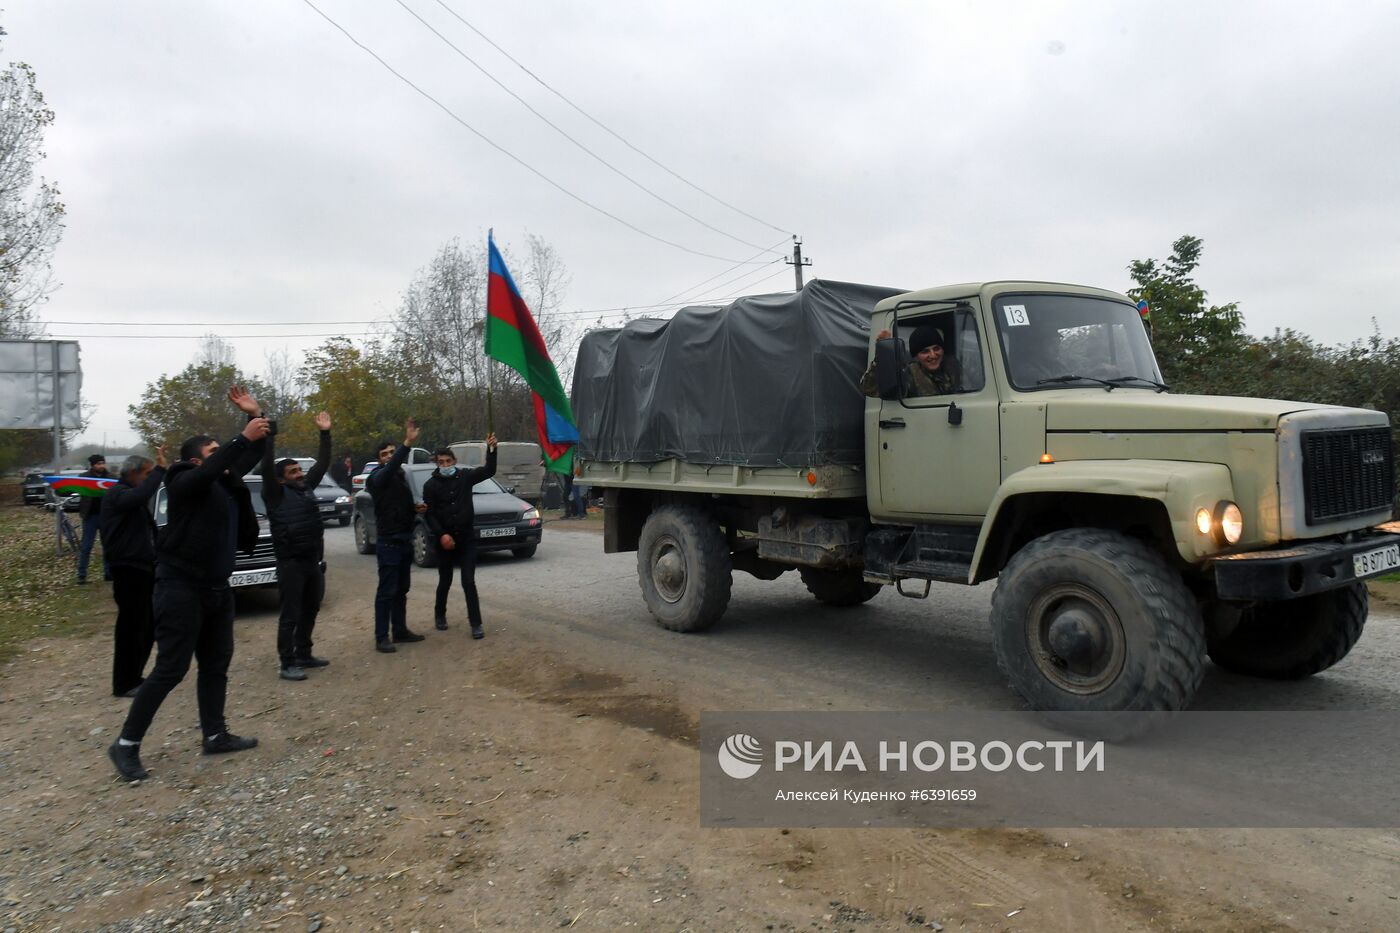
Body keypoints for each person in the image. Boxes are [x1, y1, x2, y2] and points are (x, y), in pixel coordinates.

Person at [107, 387, 271, 783]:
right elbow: (221, 462)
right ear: (195, 459)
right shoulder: (182, 480)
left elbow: (254, 450)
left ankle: (215, 734)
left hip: (217, 587)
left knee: (216, 665)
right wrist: (239, 437)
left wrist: (255, 416)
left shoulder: (224, 482)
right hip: (180, 588)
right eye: (213, 450)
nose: (222, 455)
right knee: (171, 668)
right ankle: (125, 745)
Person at [261, 411, 334, 682]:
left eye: (300, 470)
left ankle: (304, 652)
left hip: (310, 561)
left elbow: (323, 463)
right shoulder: (275, 493)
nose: (299, 474)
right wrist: (270, 437)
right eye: (293, 472)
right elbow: (267, 466)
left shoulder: (306, 488)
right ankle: (287, 662)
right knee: (290, 614)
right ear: (281, 478)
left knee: (311, 607)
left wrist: (325, 433)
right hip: (290, 563)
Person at [99, 448, 168, 697]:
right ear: (134, 474)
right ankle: (124, 682)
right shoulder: (118, 494)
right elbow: (142, 495)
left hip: (142, 568)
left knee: (145, 626)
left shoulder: (129, 496)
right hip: (127, 570)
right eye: (147, 474)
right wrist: (159, 470)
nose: (150, 479)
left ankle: (135, 676)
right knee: (131, 627)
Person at [423, 434, 498, 636]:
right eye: (441, 462)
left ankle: (476, 623)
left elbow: (489, 470)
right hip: (445, 540)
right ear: (437, 464)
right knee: (445, 580)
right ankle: (440, 614)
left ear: (454, 461)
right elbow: (429, 514)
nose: (445, 465)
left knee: (468, 581)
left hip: (466, 539)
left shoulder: (465, 477)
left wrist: (492, 450)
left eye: (448, 461)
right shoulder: (430, 485)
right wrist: (441, 535)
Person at [368, 419, 427, 653]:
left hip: (404, 540)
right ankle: (381, 636)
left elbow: (395, 506)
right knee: (386, 591)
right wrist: (406, 444)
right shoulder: (376, 478)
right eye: (385, 454)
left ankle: (400, 630)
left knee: (402, 589)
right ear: (379, 459)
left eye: (392, 452)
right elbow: (389, 470)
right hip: (388, 543)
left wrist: (415, 509)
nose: (390, 456)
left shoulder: (399, 476)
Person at [860, 324, 962, 398]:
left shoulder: (953, 367)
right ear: (916, 356)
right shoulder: (909, 375)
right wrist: (882, 355)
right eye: (925, 351)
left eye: (936, 349)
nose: (933, 355)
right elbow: (869, 388)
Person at [76, 453, 110, 583]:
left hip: (106, 516)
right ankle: (81, 575)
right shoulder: (84, 478)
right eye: (98, 464)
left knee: (107, 545)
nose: (101, 466)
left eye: (103, 463)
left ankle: (108, 573)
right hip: (90, 516)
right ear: (92, 465)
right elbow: (74, 488)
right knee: (86, 546)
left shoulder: (110, 477)